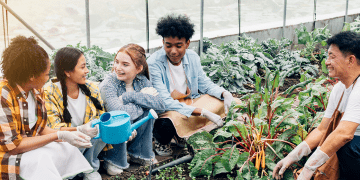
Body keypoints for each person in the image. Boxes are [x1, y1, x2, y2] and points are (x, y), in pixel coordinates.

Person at [0, 36, 94, 180]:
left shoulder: (35, 91)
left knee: (67, 148)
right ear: (31, 76)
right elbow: (14, 146)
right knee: (41, 160)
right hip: (8, 155)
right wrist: (58, 135)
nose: (48, 78)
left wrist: (78, 130)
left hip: (27, 146)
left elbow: (40, 129)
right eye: (46, 74)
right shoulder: (4, 95)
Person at [273, 31, 360, 180]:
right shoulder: (339, 89)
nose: (326, 62)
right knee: (324, 145)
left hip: (353, 149)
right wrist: (293, 156)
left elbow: (344, 134)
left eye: (332, 57)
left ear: (351, 60)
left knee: (345, 146)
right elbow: (322, 129)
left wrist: (308, 169)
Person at [147, 14, 238, 156]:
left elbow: (205, 84)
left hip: (190, 102)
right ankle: (162, 141)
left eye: (179, 46)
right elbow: (164, 101)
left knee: (227, 102)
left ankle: (180, 134)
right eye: (168, 45)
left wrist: (224, 93)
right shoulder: (154, 63)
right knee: (166, 125)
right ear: (163, 42)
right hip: (167, 108)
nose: (173, 51)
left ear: (187, 43)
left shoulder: (192, 57)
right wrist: (203, 112)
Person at [44, 47, 124, 180]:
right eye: (82, 67)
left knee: (101, 129)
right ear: (68, 72)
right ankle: (71, 171)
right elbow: (54, 130)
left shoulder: (92, 88)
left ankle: (89, 168)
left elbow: (102, 118)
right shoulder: (49, 92)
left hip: (87, 143)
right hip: (65, 142)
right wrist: (80, 130)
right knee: (74, 137)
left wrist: (122, 130)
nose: (87, 71)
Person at [99, 44, 165, 175]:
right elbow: (118, 113)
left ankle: (139, 154)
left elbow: (160, 105)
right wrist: (143, 99)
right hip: (111, 130)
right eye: (116, 62)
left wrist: (129, 96)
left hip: (133, 129)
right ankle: (113, 159)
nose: (118, 68)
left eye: (125, 64)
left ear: (139, 68)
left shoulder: (141, 80)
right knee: (119, 121)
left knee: (148, 111)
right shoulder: (109, 84)